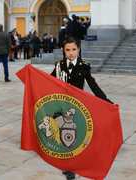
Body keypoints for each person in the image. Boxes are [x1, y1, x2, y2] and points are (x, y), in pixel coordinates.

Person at [25, 36, 120, 179]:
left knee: (76, 136)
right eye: (68, 50)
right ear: (63, 50)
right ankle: (67, 165)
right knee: (62, 136)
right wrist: (33, 76)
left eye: (74, 49)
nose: (71, 53)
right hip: (61, 106)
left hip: (77, 108)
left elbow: (94, 86)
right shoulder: (59, 65)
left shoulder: (84, 66)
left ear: (79, 49)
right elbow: (48, 81)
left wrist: (108, 102)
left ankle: (75, 164)